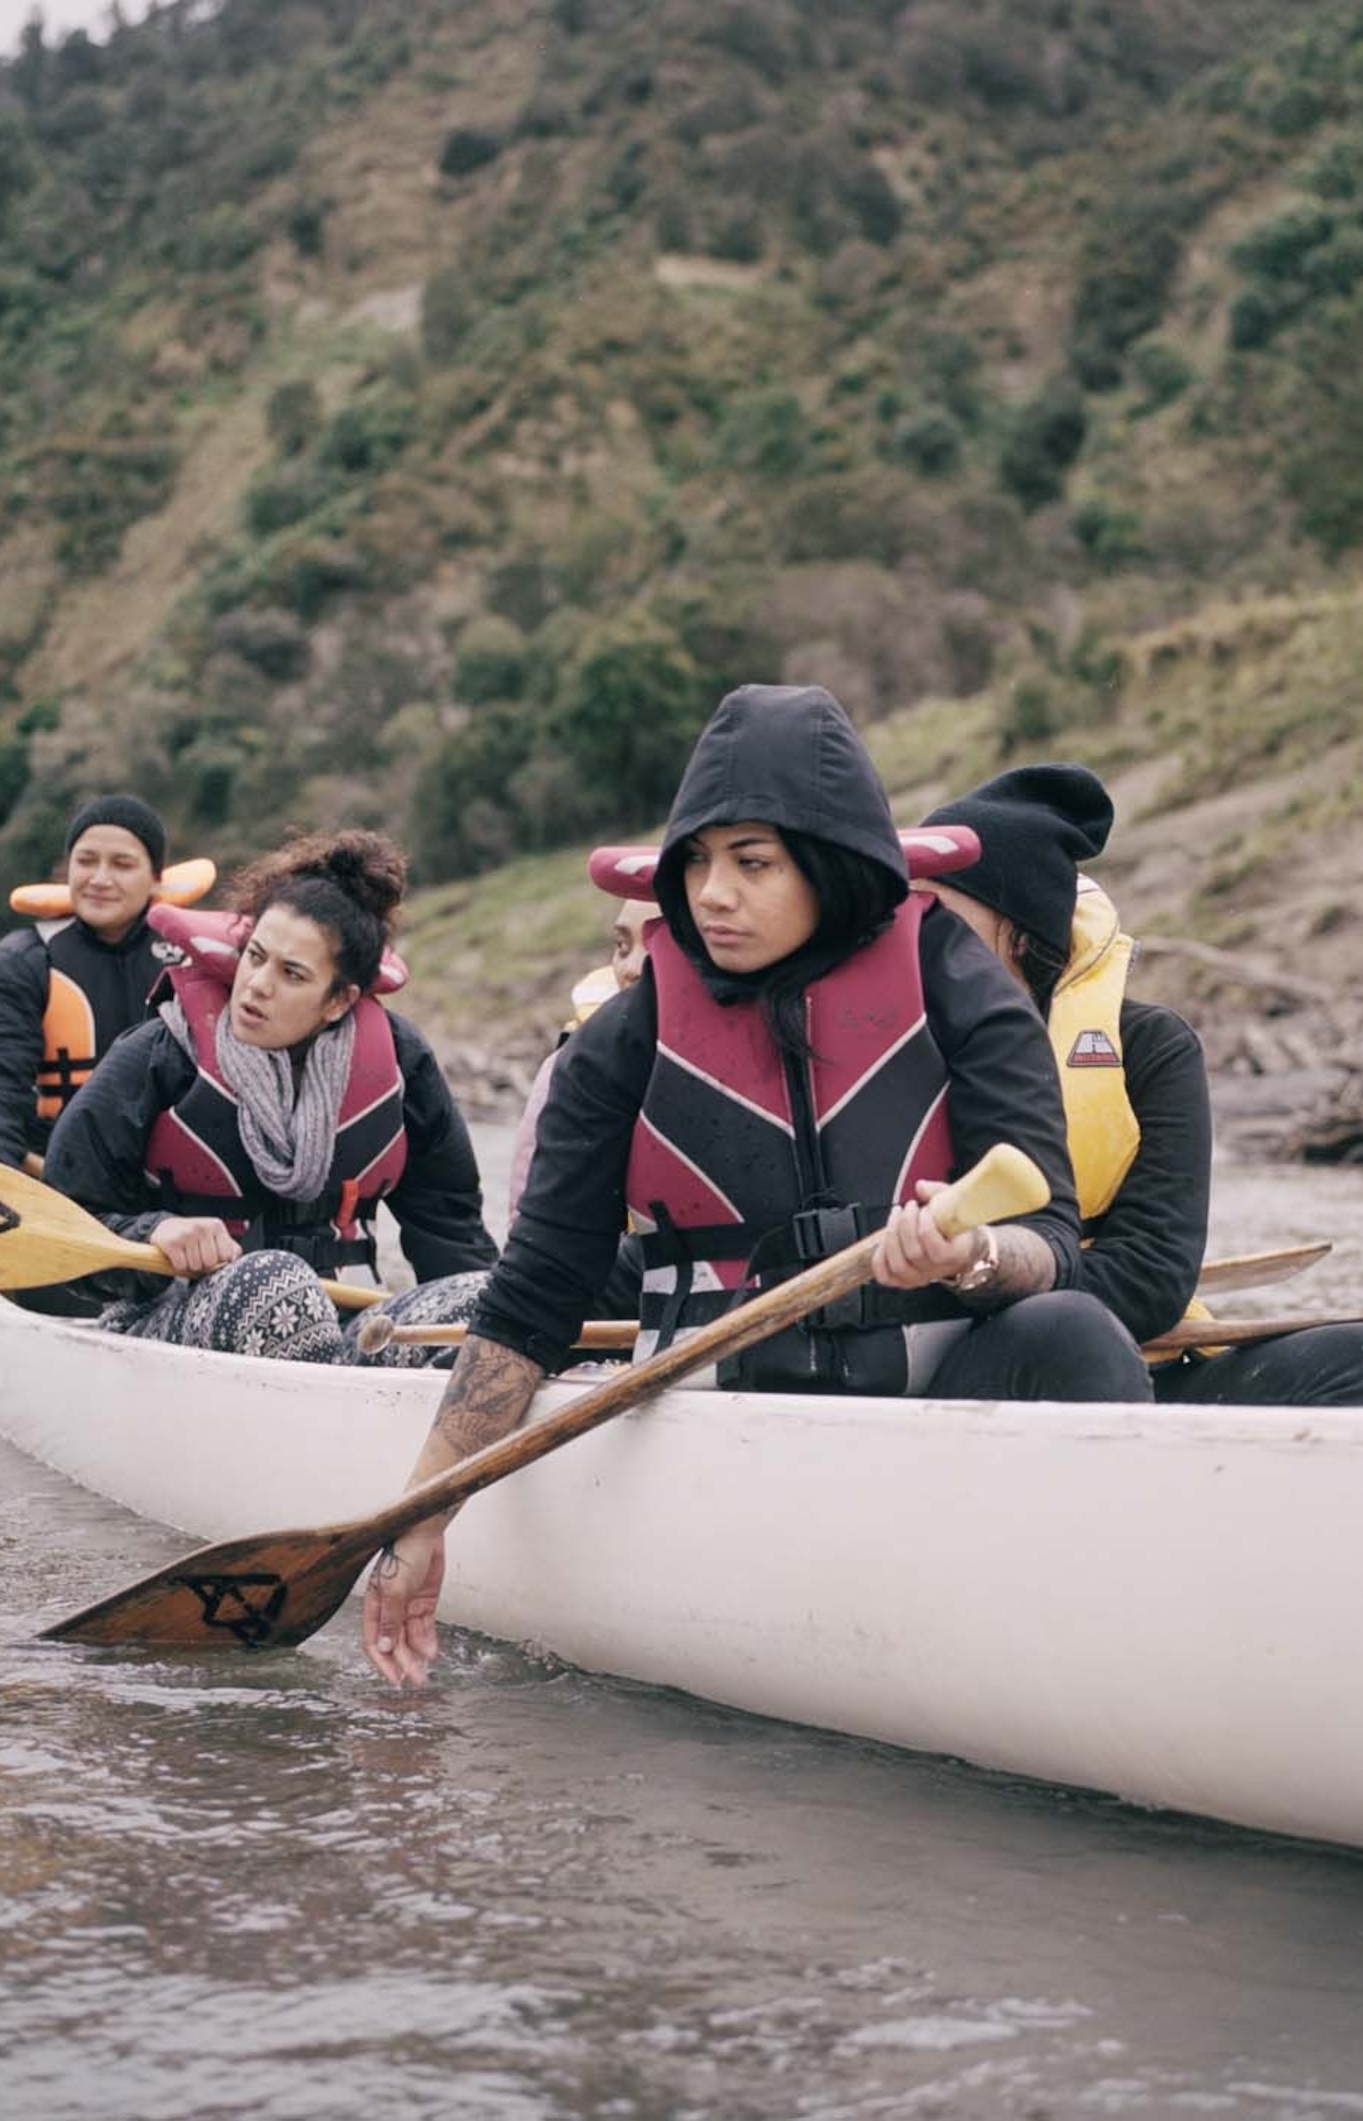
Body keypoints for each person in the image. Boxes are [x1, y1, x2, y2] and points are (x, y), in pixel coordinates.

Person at [361, 683, 1147, 1685]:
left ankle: (1099, 1652)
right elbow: (534, 1296)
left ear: (829, 862)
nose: (710, 894)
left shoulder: (957, 982)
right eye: (695, 860)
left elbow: (1051, 1239)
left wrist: (975, 1254)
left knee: (1072, 1331)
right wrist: (423, 1517)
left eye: (753, 863)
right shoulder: (625, 1039)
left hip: (929, 1400)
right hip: (709, 1410)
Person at [919, 763, 1363, 1411]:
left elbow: (1151, 1279)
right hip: (972, 1362)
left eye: (940, 917)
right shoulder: (891, 1049)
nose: (915, 940)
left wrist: (999, 1264)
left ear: (1017, 933)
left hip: (1118, 1353)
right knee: (1071, 1333)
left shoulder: (1151, 1049)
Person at [38, 829, 494, 1356]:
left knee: (485, 1299)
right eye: (255, 957)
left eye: (292, 974)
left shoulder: (401, 1061)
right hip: (170, 1317)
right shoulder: (160, 1052)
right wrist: (153, 1231)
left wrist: (492, 1341)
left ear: (339, 1001)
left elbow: (452, 1229)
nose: (256, 985)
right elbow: (63, 1213)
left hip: (345, 1316)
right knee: (276, 1285)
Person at [0, 794, 188, 1166]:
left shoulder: (192, 960)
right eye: (86, 861)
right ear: (68, 868)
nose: (100, 879)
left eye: (122, 864)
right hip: (60, 1173)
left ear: (156, 878)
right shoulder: (22, 961)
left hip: (170, 1181)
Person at [503, 897, 654, 1222]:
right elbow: (527, 1219)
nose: (630, 969)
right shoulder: (570, 1065)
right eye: (622, 946)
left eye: (659, 946)